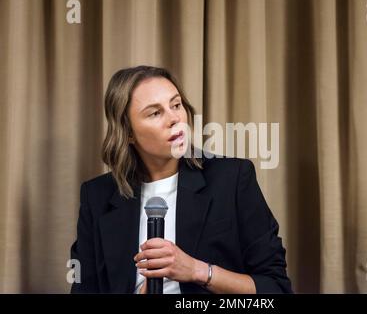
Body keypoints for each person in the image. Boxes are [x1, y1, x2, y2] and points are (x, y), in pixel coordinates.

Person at [70, 65, 292, 294]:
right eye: (155, 113)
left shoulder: (232, 178)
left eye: (176, 105)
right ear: (128, 132)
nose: (175, 118)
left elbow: (276, 288)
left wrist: (197, 270)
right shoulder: (97, 196)